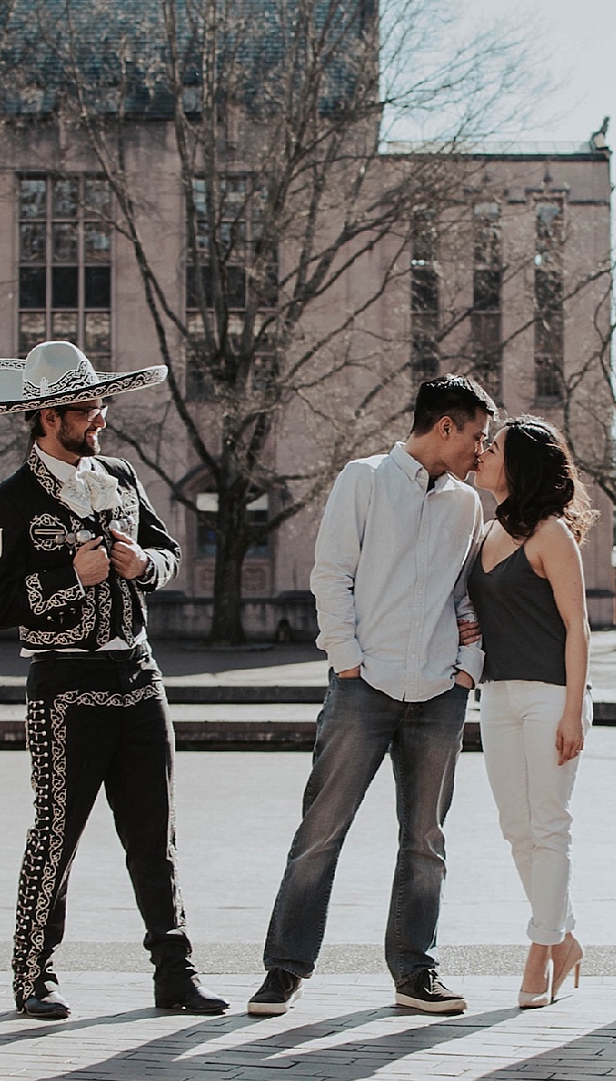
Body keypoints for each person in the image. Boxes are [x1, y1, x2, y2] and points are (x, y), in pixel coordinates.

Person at [0, 340, 226, 1019]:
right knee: (56, 834)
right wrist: (64, 579)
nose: (100, 418)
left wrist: (144, 567)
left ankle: (175, 974)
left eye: (101, 403)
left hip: (138, 674)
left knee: (155, 835)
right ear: (47, 416)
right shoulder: (9, 499)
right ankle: (33, 975)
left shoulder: (121, 475)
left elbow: (167, 554)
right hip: (62, 684)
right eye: (86, 408)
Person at [249, 376, 495, 1017]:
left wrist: (468, 665)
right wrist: (348, 661)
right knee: (321, 832)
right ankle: (284, 970)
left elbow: (464, 592)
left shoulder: (466, 504)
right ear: (445, 426)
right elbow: (331, 574)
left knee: (425, 841)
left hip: (440, 690)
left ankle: (415, 971)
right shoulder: (363, 479)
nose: (481, 448)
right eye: (476, 434)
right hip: (364, 686)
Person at [468, 416, 597, 1008]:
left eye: (491, 448)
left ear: (517, 465)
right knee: (518, 830)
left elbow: (579, 627)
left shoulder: (550, 534)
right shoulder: (484, 530)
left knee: (549, 825)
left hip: (551, 696)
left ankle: (540, 950)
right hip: (496, 696)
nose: (480, 453)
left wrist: (573, 711)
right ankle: (564, 936)